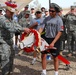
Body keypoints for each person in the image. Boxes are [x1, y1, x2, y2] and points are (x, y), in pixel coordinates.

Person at [0, 2, 30, 75]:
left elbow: (17, 26)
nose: (12, 14)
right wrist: (23, 29)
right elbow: (11, 28)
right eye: (10, 12)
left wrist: (25, 29)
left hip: (10, 42)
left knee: (11, 59)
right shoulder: (3, 19)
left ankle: (9, 72)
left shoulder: (12, 19)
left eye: (13, 12)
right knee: (5, 61)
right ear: (6, 11)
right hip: (3, 43)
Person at [40, 3, 64, 75]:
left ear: (56, 12)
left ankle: (56, 72)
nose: (50, 12)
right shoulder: (46, 19)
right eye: (50, 10)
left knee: (55, 57)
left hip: (55, 39)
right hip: (46, 38)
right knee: (43, 55)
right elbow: (41, 28)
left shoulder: (59, 20)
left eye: (52, 11)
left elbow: (60, 32)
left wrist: (53, 42)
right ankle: (44, 72)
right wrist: (38, 35)